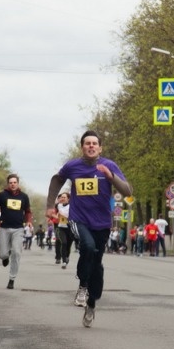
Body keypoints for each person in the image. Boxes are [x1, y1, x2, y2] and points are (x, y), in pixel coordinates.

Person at [46, 130, 132, 328]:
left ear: (100, 147)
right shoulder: (72, 166)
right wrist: (50, 204)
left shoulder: (109, 166)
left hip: (101, 222)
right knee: (87, 245)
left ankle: (91, 303)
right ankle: (83, 286)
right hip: (78, 218)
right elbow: (56, 180)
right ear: (82, 147)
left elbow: (127, 191)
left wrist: (111, 177)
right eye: (87, 143)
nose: (91, 146)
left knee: (97, 263)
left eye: (95, 143)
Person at [0, 174, 32, 289]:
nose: (13, 184)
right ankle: (5, 257)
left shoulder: (24, 196)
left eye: (15, 182)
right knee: (2, 254)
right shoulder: (3, 195)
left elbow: (28, 211)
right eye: (11, 182)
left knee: (17, 252)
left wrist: (28, 221)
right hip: (4, 228)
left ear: (18, 183)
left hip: (18, 229)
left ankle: (12, 279)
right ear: (8, 184)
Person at [53, 191, 74, 269]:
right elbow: (53, 212)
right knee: (64, 243)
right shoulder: (58, 205)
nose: (62, 198)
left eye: (64, 197)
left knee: (68, 245)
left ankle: (67, 256)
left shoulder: (72, 206)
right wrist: (54, 216)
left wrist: (67, 218)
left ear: (68, 199)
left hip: (70, 228)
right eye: (61, 197)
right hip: (61, 227)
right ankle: (64, 261)